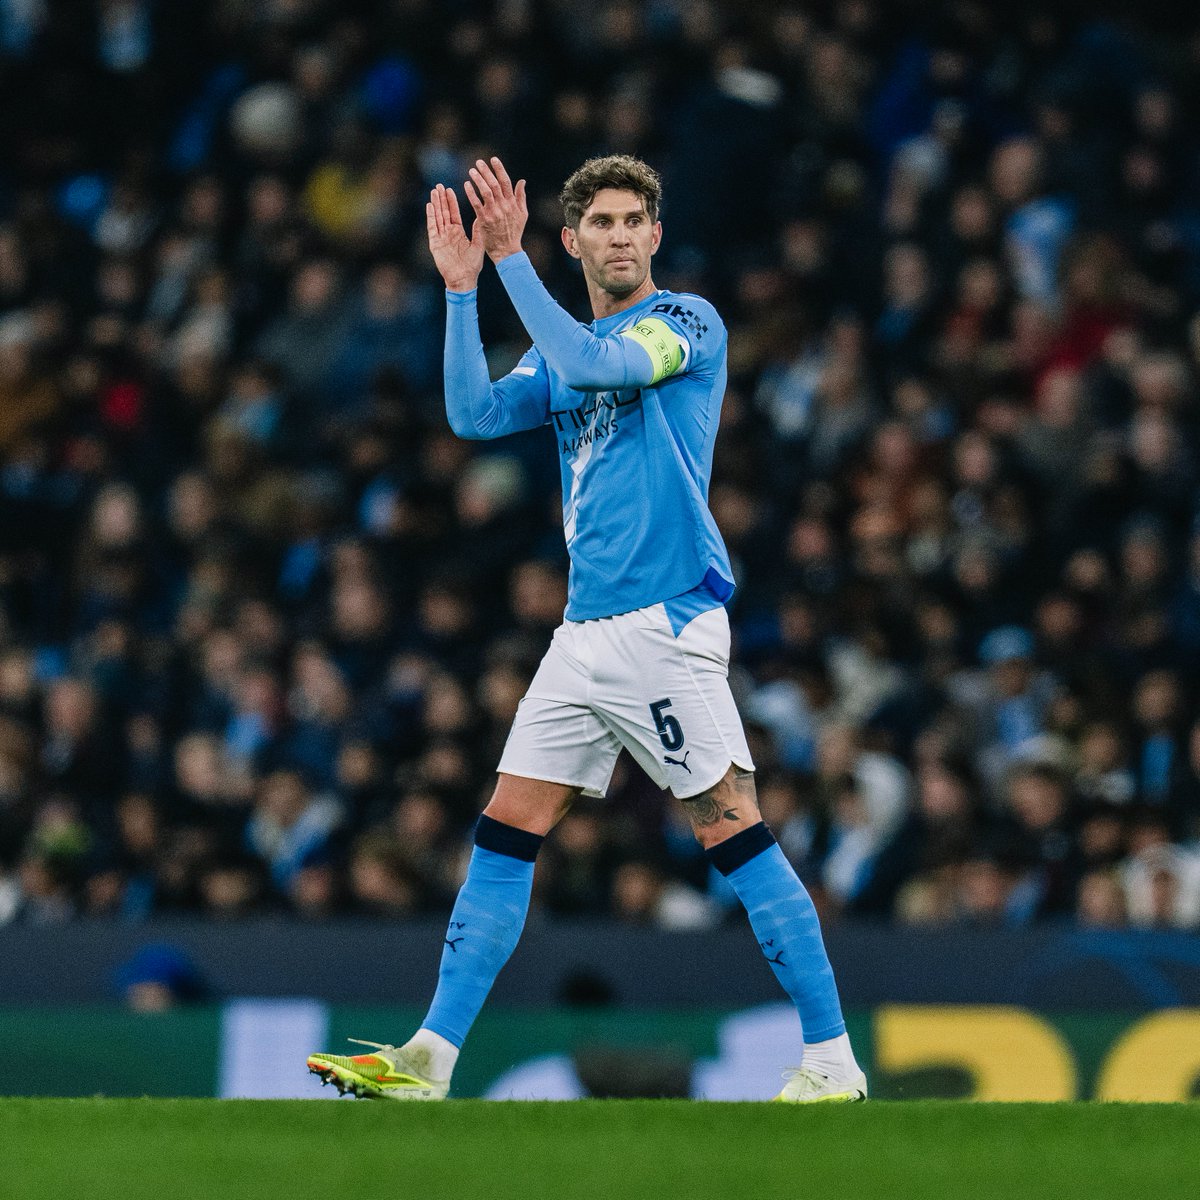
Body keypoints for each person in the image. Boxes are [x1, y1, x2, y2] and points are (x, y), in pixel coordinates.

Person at [306, 154, 866, 1103]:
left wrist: (510, 262)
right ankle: (430, 1058)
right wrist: (461, 291)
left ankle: (832, 1061)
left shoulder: (685, 322)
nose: (618, 236)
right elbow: (475, 415)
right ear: (573, 240)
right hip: (583, 633)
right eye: (600, 222)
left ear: (656, 236)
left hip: (663, 624)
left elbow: (596, 365)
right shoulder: (560, 341)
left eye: (632, 221)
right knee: (504, 829)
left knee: (732, 831)